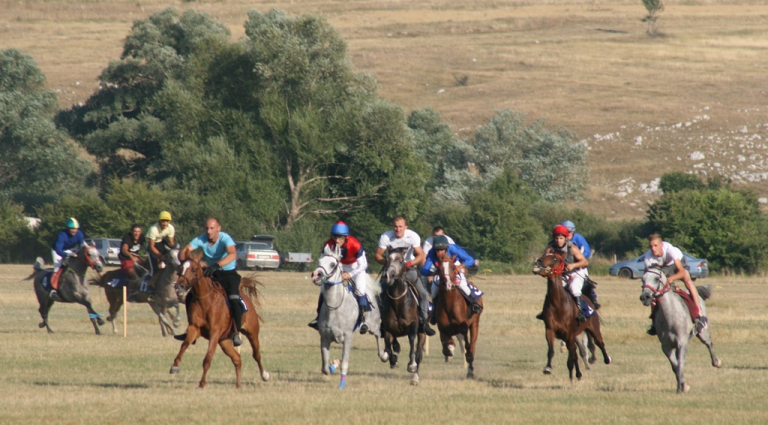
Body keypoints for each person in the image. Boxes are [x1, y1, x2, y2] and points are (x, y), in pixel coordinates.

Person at [175, 217, 243, 346]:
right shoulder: (201, 239)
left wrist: (217, 265)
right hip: (211, 273)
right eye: (207, 228)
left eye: (212, 228)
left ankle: (236, 332)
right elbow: (185, 250)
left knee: (234, 299)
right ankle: (191, 330)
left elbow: (232, 254)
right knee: (190, 296)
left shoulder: (225, 238)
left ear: (218, 228)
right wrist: (184, 258)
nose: (209, 231)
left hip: (228, 273)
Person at [374, 216, 435, 336]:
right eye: (395, 227)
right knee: (378, 293)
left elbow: (421, 255)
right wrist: (388, 263)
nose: (398, 229)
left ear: (405, 227)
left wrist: (409, 264)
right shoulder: (386, 237)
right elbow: (377, 255)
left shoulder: (412, 236)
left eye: (400, 226)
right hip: (391, 269)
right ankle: (381, 323)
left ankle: (423, 322)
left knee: (423, 293)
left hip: (408, 269)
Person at [308, 221, 372, 334]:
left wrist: (351, 274)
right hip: (338, 267)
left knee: (360, 290)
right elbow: (323, 263)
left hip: (355, 267)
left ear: (346, 237)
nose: (337, 241)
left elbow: (363, 264)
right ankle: (318, 319)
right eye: (335, 237)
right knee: (323, 290)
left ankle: (363, 320)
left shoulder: (355, 244)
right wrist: (321, 279)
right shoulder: (328, 245)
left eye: (340, 238)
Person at [643, 234, 708, 336]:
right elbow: (650, 277)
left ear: (661, 245)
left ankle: (699, 315)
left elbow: (681, 271)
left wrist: (671, 278)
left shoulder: (670, 250)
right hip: (663, 268)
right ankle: (654, 323)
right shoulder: (648, 258)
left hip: (677, 264)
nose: (653, 249)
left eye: (655, 245)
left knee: (688, 281)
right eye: (651, 246)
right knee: (654, 290)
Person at [538, 224, 590, 323]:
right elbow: (544, 260)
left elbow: (585, 262)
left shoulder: (572, 247)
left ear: (565, 238)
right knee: (553, 289)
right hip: (562, 274)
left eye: (561, 238)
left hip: (576, 272)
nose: (558, 241)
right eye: (556, 238)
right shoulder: (550, 247)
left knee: (574, 289)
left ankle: (580, 313)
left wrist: (573, 265)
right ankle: (544, 312)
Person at [420, 235, 482, 317]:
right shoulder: (432, 253)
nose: (439, 252)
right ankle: (435, 312)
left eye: (442, 250)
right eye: (437, 250)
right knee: (434, 290)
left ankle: (473, 304)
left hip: (455, 266)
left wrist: (460, 267)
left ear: (446, 249)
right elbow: (423, 270)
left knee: (462, 285)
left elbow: (470, 260)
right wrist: (434, 273)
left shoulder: (453, 248)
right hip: (441, 270)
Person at [561, 220, 599, 310]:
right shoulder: (559, 240)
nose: (568, 234)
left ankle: (593, 300)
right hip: (563, 270)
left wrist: (577, 260)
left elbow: (587, 251)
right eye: (566, 232)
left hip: (578, 268)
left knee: (585, 285)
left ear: (573, 231)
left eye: (570, 232)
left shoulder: (579, 238)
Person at [49, 217, 86, 298]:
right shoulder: (62, 234)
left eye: (76, 229)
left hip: (69, 249)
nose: (74, 231)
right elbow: (58, 250)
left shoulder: (79, 234)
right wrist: (67, 255)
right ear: (68, 228)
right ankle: (53, 289)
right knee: (57, 267)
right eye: (72, 229)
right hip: (57, 250)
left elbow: (82, 246)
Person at [119, 224, 148, 298]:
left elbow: (149, 243)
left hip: (136, 259)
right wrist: (131, 256)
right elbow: (124, 249)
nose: (137, 233)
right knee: (134, 274)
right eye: (135, 231)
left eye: (138, 231)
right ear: (131, 231)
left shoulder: (142, 237)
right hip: (126, 259)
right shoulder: (127, 237)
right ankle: (130, 294)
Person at [146, 211, 176, 282]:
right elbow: (151, 246)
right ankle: (149, 284)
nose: (165, 223)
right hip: (151, 245)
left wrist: (172, 251)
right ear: (159, 221)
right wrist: (160, 256)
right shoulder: (153, 229)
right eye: (163, 221)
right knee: (154, 268)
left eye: (167, 221)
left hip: (160, 242)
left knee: (171, 261)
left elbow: (171, 243)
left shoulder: (171, 228)